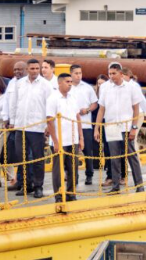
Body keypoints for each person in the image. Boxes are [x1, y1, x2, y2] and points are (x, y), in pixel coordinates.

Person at [94, 62, 145, 194]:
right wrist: (97, 128)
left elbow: (136, 109)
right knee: (114, 157)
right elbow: (101, 109)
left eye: (114, 73)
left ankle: (139, 185)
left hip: (126, 126)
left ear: (121, 74)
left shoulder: (131, 88)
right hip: (111, 126)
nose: (111, 76)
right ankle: (115, 186)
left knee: (131, 156)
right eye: (110, 73)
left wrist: (134, 128)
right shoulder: (105, 88)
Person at [8, 58, 52, 198]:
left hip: (37, 127)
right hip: (21, 126)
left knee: (38, 159)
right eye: (32, 69)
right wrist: (13, 121)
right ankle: (26, 185)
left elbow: (49, 106)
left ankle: (38, 186)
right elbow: (14, 103)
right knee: (22, 157)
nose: (34, 71)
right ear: (27, 69)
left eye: (36, 69)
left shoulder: (46, 85)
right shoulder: (19, 84)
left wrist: (47, 125)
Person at [47, 73, 83, 202]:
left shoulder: (73, 97)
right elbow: (49, 121)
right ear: (60, 83)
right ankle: (58, 194)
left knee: (73, 168)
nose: (70, 84)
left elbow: (77, 117)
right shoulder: (53, 98)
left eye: (71, 82)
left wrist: (81, 137)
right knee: (58, 169)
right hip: (59, 140)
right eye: (67, 81)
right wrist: (55, 142)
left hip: (73, 139)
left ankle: (71, 193)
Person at [70, 64, 99, 185]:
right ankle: (73, 175)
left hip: (85, 124)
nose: (78, 75)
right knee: (72, 152)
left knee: (88, 150)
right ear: (71, 73)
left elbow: (95, 103)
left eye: (80, 73)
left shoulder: (87, 88)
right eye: (76, 73)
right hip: (71, 124)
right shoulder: (68, 87)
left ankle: (89, 174)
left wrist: (87, 110)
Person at [5, 61, 27, 192]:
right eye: (15, 69)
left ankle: (27, 182)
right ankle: (19, 181)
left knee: (27, 156)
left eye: (20, 69)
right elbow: (9, 103)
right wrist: (8, 119)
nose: (17, 72)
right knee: (19, 155)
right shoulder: (12, 83)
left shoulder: (27, 84)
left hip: (29, 126)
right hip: (15, 125)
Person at [121, 67, 146, 149]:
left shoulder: (133, 86)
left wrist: (145, 112)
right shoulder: (125, 86)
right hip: (129, 114)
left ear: (128, 76)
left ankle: (135, 160)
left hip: (137, 114)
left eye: (123, 76)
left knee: (132, 138)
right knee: (128, 139)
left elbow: (142, 100)